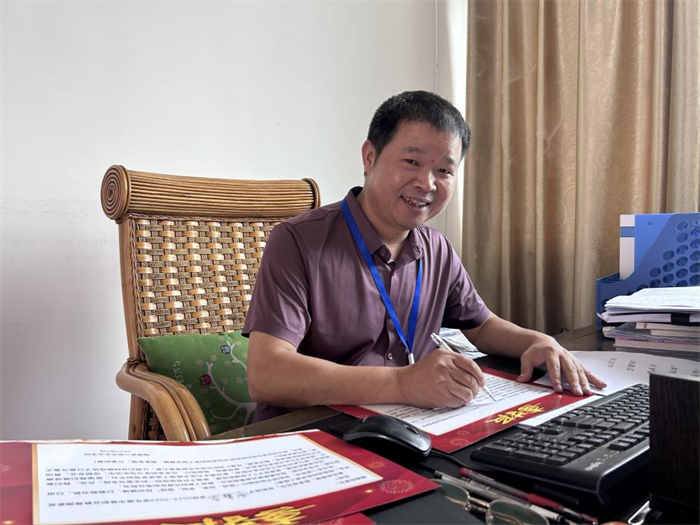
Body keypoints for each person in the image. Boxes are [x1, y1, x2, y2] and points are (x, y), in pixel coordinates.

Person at [242, 90, 606, 422]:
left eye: (444, 170)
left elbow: (481, 326)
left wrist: (538, 341)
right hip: (308, 433)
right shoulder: (297, 241)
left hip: (401, 428)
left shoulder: (436, 248)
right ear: (370, 157)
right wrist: (402, 383)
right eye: (411, 162)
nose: (427, 183)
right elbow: (268, 375)